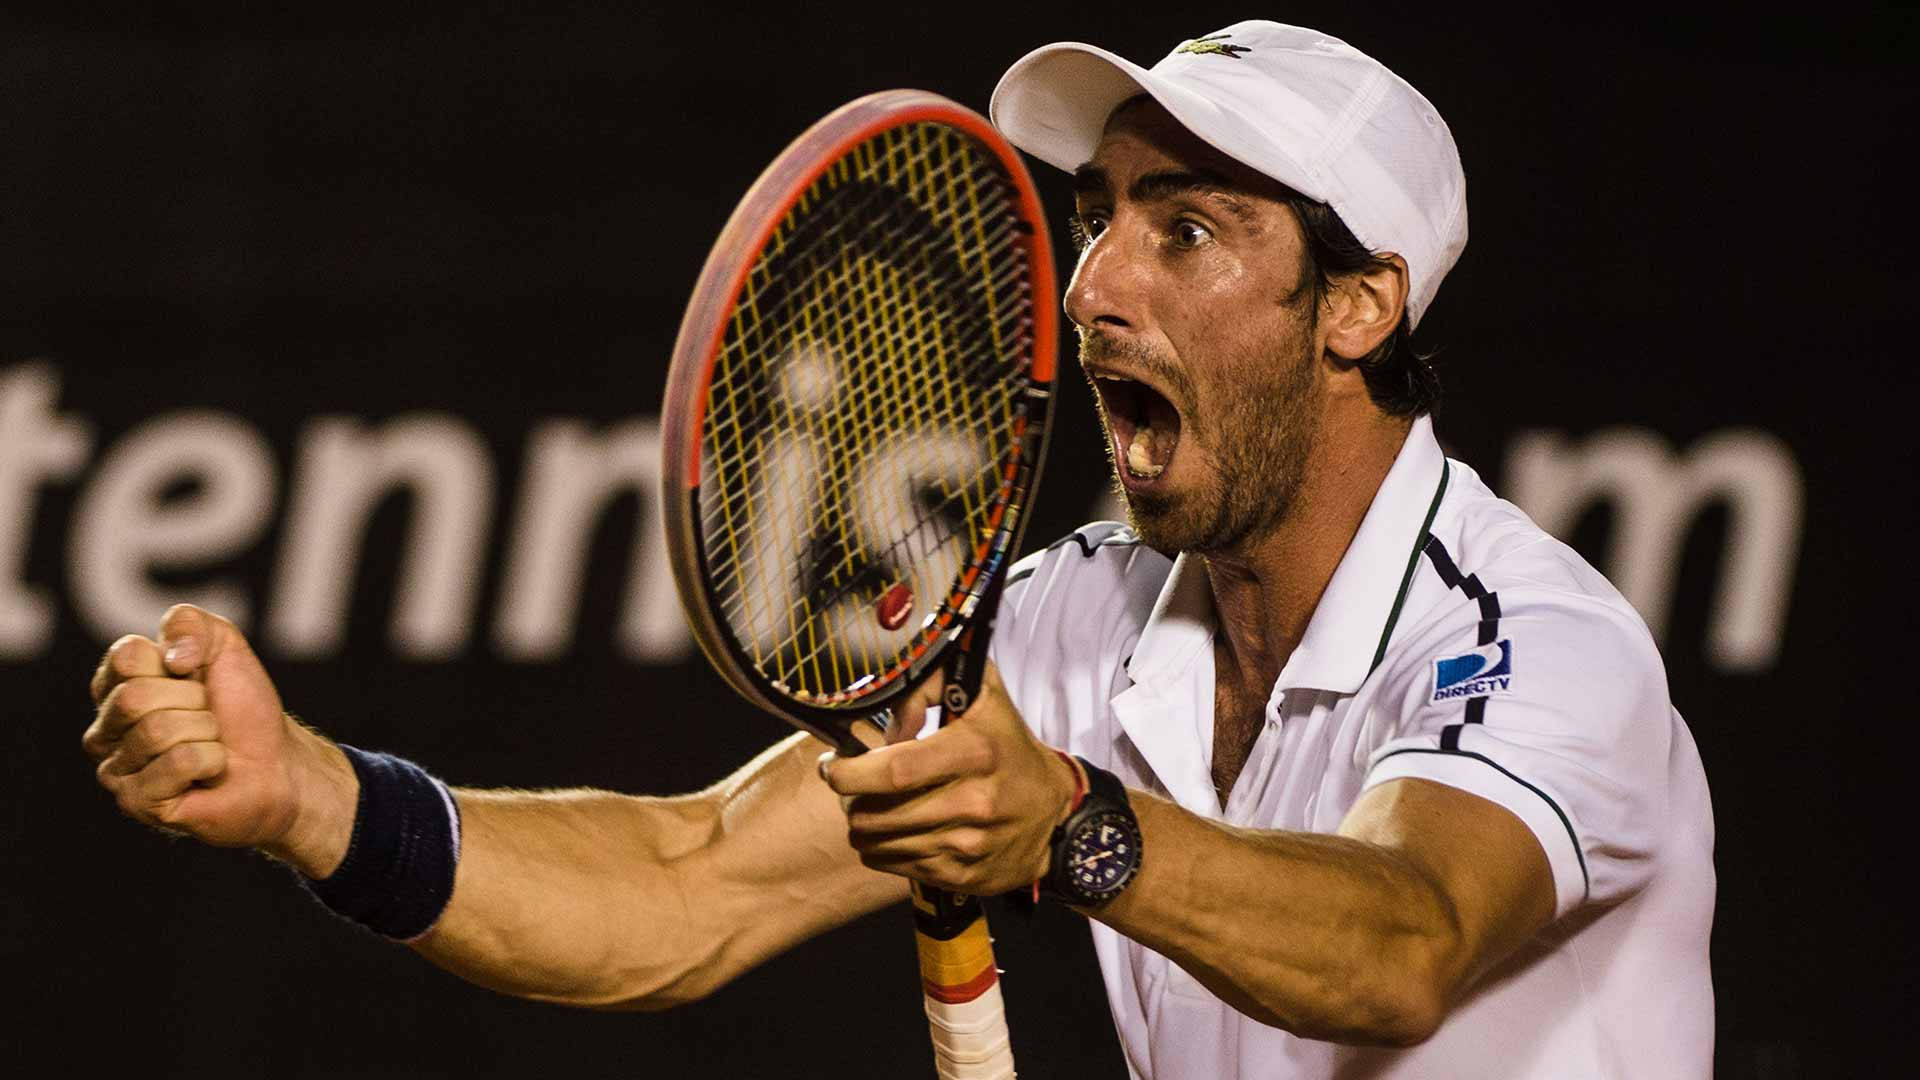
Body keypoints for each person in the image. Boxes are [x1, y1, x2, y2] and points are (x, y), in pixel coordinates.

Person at [81, 20, 1714, 1079]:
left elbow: (1406, 940)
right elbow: (685, 888)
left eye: (1188, 231)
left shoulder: (1538, 642)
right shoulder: (1072, 621)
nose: (1094, 292)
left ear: (1360, 307)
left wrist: (1071, 826)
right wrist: (310, 798)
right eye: (1099, 217)